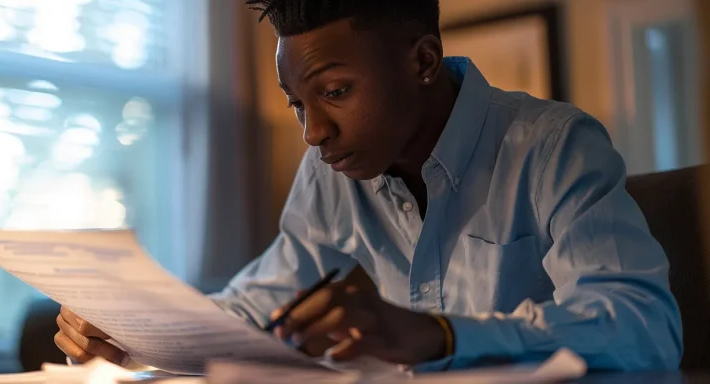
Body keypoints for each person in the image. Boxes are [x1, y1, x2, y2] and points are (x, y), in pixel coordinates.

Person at [54, 0, 682, 372]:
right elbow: (258, 310)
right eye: (298, 104)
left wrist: (438, 335)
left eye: (333, 92)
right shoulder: (331, 176)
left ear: (423, 62)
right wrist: (131, 335)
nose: (314, 132)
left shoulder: (552, 145)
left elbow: (643, 326)